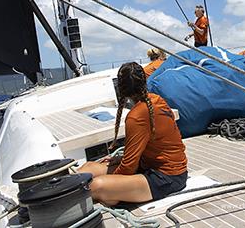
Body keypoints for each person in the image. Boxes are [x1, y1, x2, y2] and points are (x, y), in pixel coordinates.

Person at [77, 63, 187, 204]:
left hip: (167, 177)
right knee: (89, 168)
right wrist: (120, 161)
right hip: (150, 166)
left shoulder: (136, 116)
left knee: (95, 186)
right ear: (144, 81)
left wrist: (112, 181)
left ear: (121, 88)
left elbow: (128, 168)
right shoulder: (157, 100)